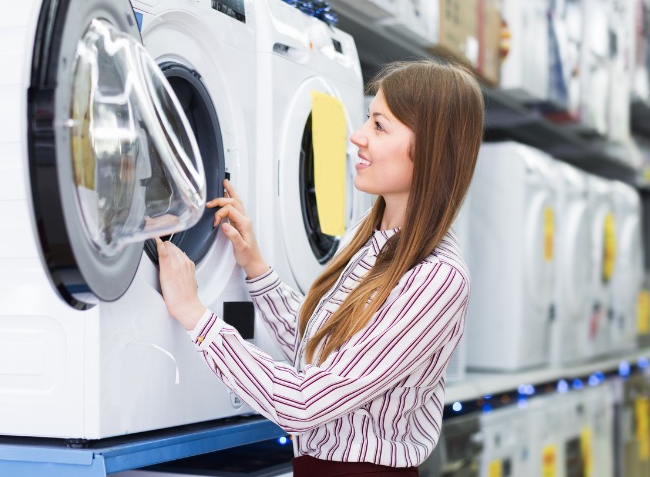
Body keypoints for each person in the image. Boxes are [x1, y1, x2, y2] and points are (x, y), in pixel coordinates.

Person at [154, 59, 485, 476]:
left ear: (432, 148)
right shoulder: (367, 239)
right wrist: (256, 267)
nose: (357, 136)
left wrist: (196, 318)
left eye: (379, 126)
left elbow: (304, 403)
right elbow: (321, 352)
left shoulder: (437, 278)